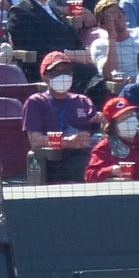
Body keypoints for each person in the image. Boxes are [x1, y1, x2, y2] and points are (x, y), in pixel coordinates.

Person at [22, 50, 96, 182]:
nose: (63, 76)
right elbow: (35, 140)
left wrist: (105, 122)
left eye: (67, 72)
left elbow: (98, 131)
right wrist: (68, 142)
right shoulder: (36, 102)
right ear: (45, 77)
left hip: (85, 156)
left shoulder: (83, 101)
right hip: (54, 162)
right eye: (56, 72)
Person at [86, 94, 139, 180]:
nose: (129, 120)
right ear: (113, 125)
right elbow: (89, 175)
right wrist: (110, 170)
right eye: (123, 118)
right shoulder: (105, 146)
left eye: (130, 115)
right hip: (124, 191)